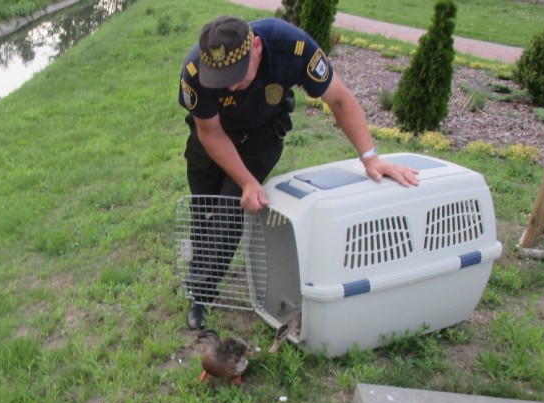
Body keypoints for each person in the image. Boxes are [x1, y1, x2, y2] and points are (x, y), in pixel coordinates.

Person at [179, 15, 420, 330]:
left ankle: (201, 295)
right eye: (221, 78)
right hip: (215, 135)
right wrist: (247, 180)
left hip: (261, 134)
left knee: (231, 206)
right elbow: (210, 133)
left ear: (256, 47)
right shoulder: (196, 70)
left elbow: (339, 99)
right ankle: (200, 270)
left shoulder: (290, 48)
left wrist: (370, 158)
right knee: (204, 204)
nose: (231, 85)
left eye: (237, 75)